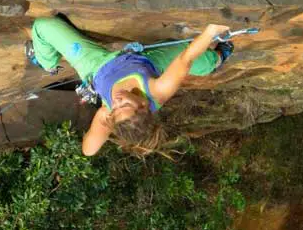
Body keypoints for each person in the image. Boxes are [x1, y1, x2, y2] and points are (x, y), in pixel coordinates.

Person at [27, 16, 234, 156]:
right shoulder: (157, 91)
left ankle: (46, 63)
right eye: (124, 105)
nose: (116, 101)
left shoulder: (109, 113)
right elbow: (185, 59)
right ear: (143, 106)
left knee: (44, 26)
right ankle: (219, 56)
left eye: (115, 109)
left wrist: (108, 126)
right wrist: (210, 32)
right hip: (147, 61)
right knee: (203, 61)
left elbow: (88, 150)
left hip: (95, 66)